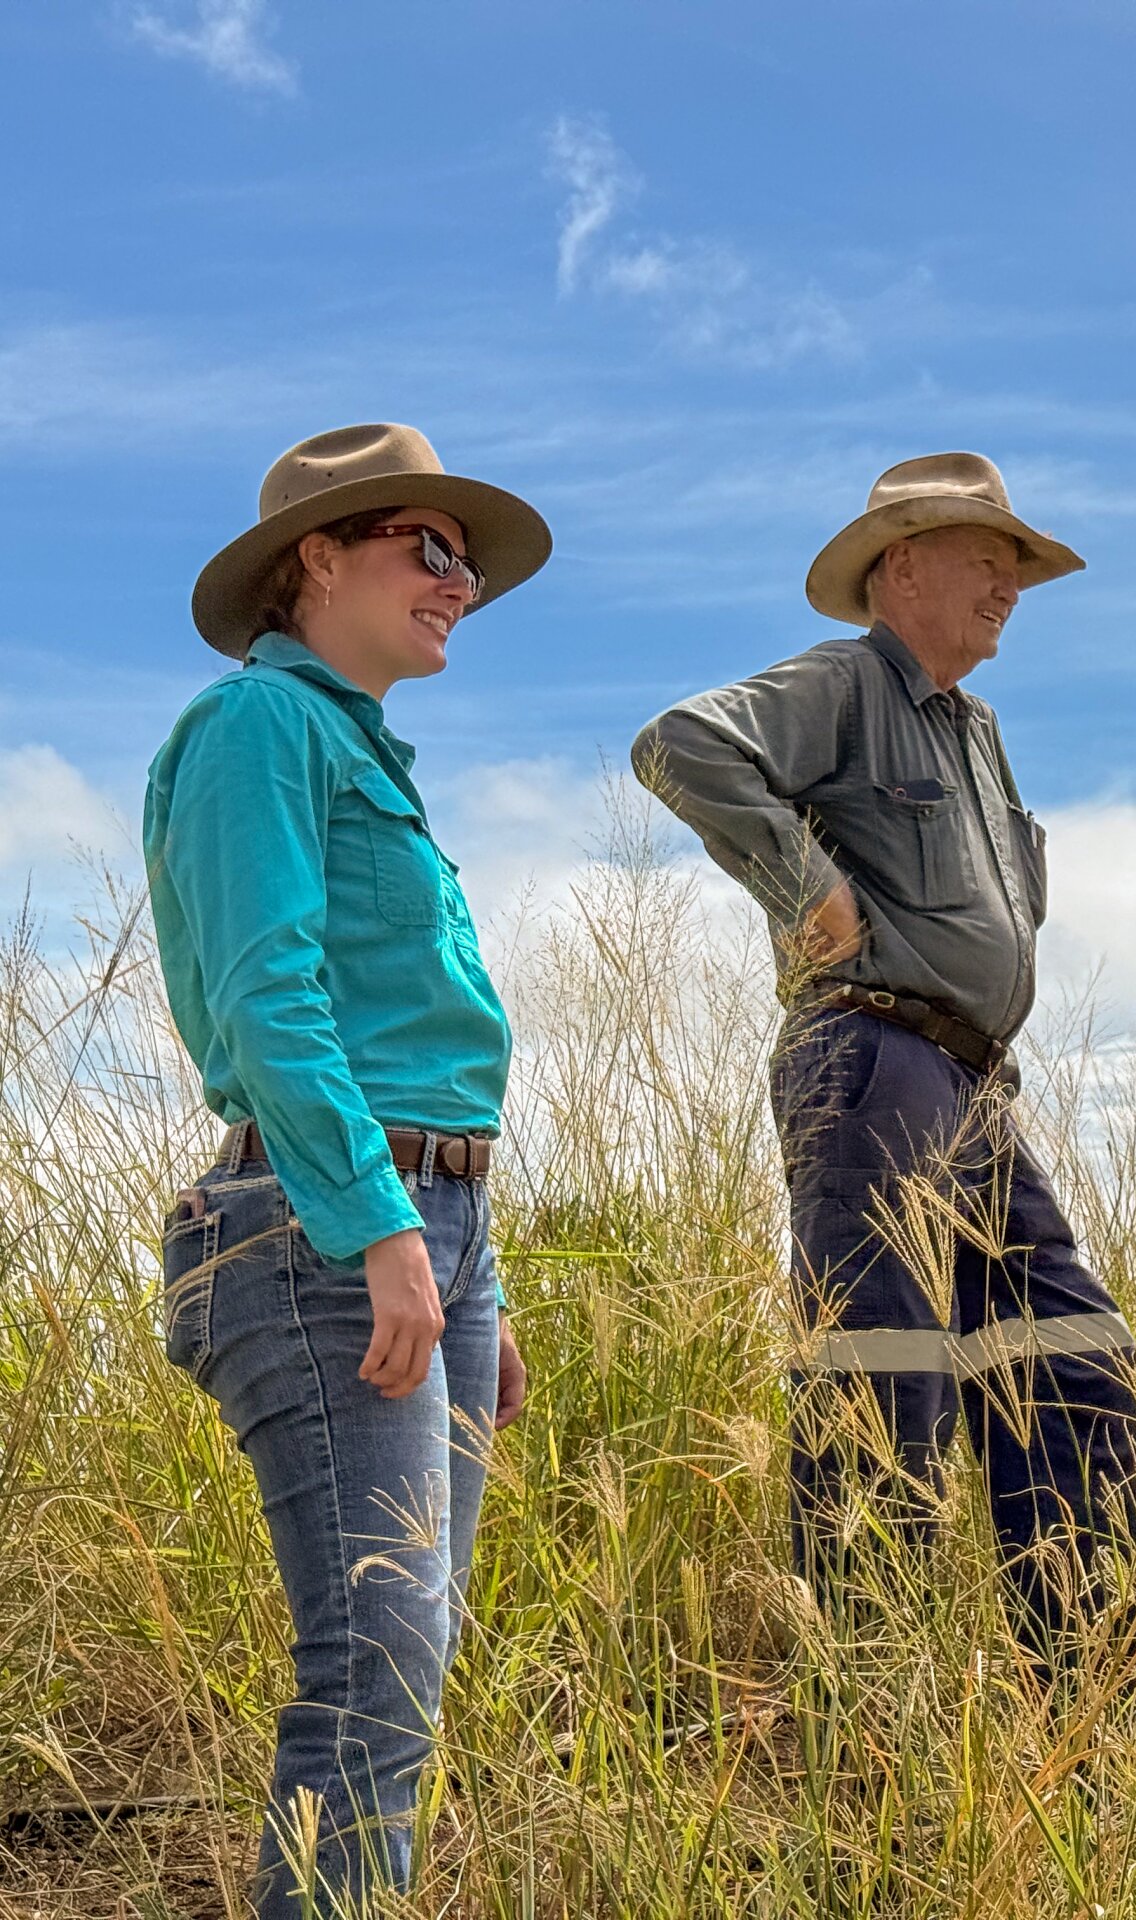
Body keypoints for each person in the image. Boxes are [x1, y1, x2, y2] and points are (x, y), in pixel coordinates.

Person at [631, 453, 1136, 1668]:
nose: (1010, 582)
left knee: (1072, 1359)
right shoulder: (847, 681)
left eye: (1019, 562)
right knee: (885, 1373)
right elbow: (681, 746)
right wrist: (804, 888)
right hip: (874, 1060)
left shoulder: (973, 727)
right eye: (989, 555)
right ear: (901, 565)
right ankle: (871, 1717)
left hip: (972, 1085)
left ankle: (1076, 1693)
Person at [146, 424, 549, 1918]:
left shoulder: (361, 751)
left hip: (428, 1221)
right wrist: (381, 1222)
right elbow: (270, 992)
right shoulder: (258, 727)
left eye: (469, 562)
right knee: (374, 1668)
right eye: (425, 548)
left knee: (409, 1668)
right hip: (327, 1219)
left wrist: (467, 1271)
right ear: (316, 559)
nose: (459, 582)